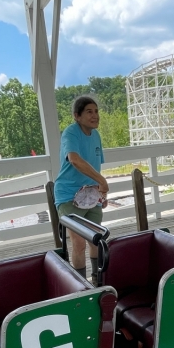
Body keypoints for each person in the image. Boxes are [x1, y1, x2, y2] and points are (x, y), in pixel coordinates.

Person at [54, 95, 109, 282]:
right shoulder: (70, 133)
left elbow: (95, 166)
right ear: (77, 116)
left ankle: (97, 280)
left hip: (91, 194)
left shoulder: (96, 135)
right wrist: (102, 180)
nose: (95, 116)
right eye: (89, 112)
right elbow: (75, 160)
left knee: (96, 239)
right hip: (68, 194)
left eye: (96, 111)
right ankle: (81, 285)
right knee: (78, 244)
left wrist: (101, 192)